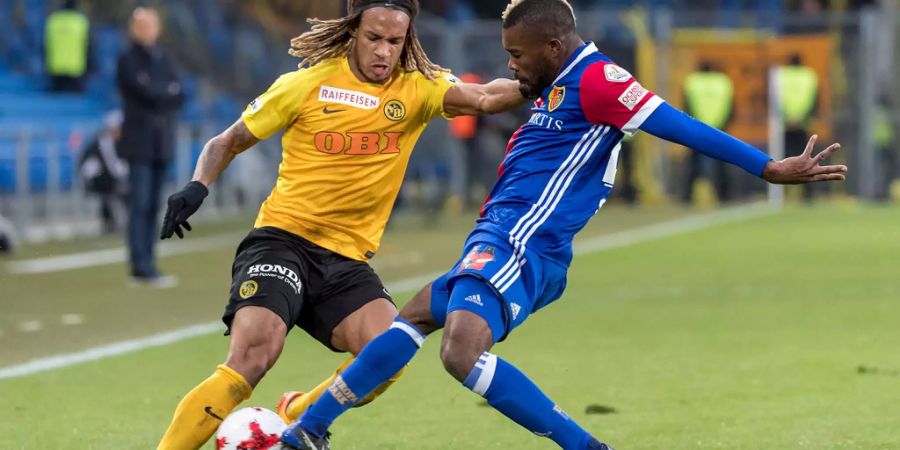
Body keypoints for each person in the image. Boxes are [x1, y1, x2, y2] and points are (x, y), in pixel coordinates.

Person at [281, 1, 847, 449]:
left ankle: (584, 446)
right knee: (415, 317)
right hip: (501, 234)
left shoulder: (599, 79)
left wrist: (765, 166)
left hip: (523, 239)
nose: (511, 64)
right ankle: (307, 429)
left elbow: (677, 123)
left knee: (459, 351)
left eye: (517, 54)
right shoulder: (555, 77)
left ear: (553, 45)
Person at [154, 1, 523, 449]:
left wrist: (545, 77)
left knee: (387, 356)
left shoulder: (419, 89)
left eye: (395, 41)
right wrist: (198, 185)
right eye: (374, 39)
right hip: (282, 242)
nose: (384, 51)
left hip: (346, 260)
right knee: (253, 356)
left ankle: (299, 413)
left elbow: (486, 96)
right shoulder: (306, 85)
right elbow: (227, 140)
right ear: (352, 32)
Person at [117, 7, 184, 286]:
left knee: (155, 206)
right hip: (139, 143)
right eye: (141, 25)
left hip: (161, 142)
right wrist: (162, 91)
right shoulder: (128, 59)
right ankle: (139, 265)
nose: (146, 30)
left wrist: (159, 91)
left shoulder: (164, 58)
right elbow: (143, 91)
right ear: (134, 28)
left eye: (151, 24)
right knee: (139, 204)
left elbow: (178, 93)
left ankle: (150, 261)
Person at [682, 61, 734, 205]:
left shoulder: (692, 82)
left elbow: (686, 105)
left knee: (693, 164)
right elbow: (730, 105)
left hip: (697, 127)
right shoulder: (723, 82)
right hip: (719, 128)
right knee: (722, 163)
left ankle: (687, 196)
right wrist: (724, 124)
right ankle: (725, 196)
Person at [78, 110, 128, 234]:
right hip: (102, 180)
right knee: (111, 193)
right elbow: (110, 166)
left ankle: (128, 221)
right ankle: (110, 223)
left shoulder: (122, 142)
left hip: (116, 178)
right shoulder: (102, 142)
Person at [779, 54, 819, 201]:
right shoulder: (808, 76)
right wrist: (804, 117)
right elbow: (815, 98)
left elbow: (775, 99)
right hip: (803, 123)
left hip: (784, 124)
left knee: (783, 159)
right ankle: (808, 194)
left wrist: (787, 117)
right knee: (806, 158)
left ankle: (781, 193)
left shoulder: (781, 76)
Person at [45, 0, 90, 92]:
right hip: (75, 70)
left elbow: (46, 45)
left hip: (56, 69)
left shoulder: (53, 20)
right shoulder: (81, 22)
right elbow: (88, 47)